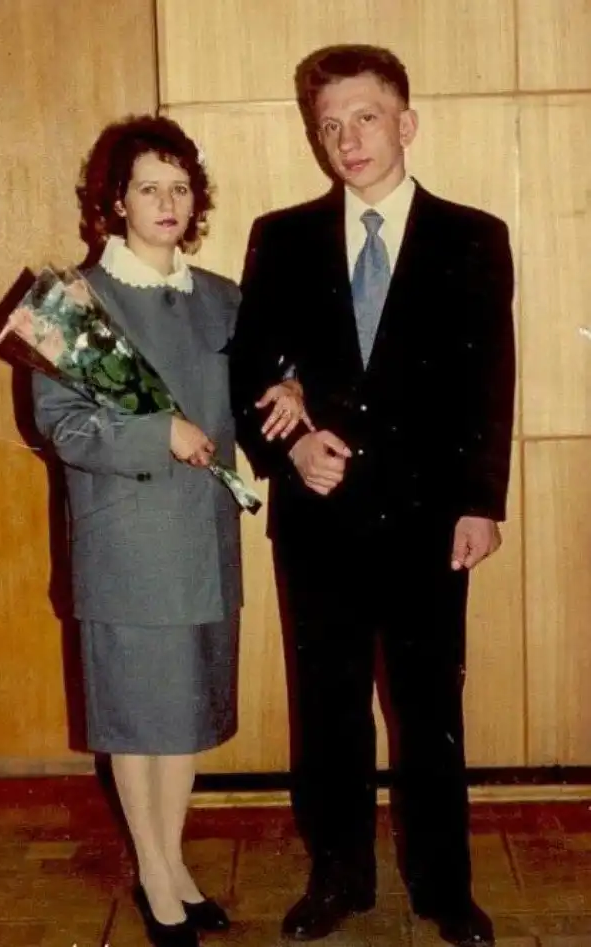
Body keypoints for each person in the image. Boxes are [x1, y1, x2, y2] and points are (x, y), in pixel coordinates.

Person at [229, 45, 515, 947]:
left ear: (406, 123)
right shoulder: (282, 237)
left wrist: (482, 501)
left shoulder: (474, 236)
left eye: (365, 118)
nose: (347, 139)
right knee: (328, 705)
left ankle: (445, 888)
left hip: (430, 519)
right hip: (320, 515)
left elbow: (490, 378)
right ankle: (338, 876)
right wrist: (289, 448)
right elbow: (251, 368)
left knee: (429, 708)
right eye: (329, 126)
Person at [32, 115, 303, 947]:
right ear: (115, 201)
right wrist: (160, 433)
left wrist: (291, 389)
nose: (167, 201)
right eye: (148, 187)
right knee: (136, 715)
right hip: (126, 539)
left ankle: (172, 863)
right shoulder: (72, 303)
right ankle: (155, 876)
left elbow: (261, 390)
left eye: (180, 187)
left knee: (183, 714)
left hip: (204, 537)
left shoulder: (224, 297)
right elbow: (60, 425)